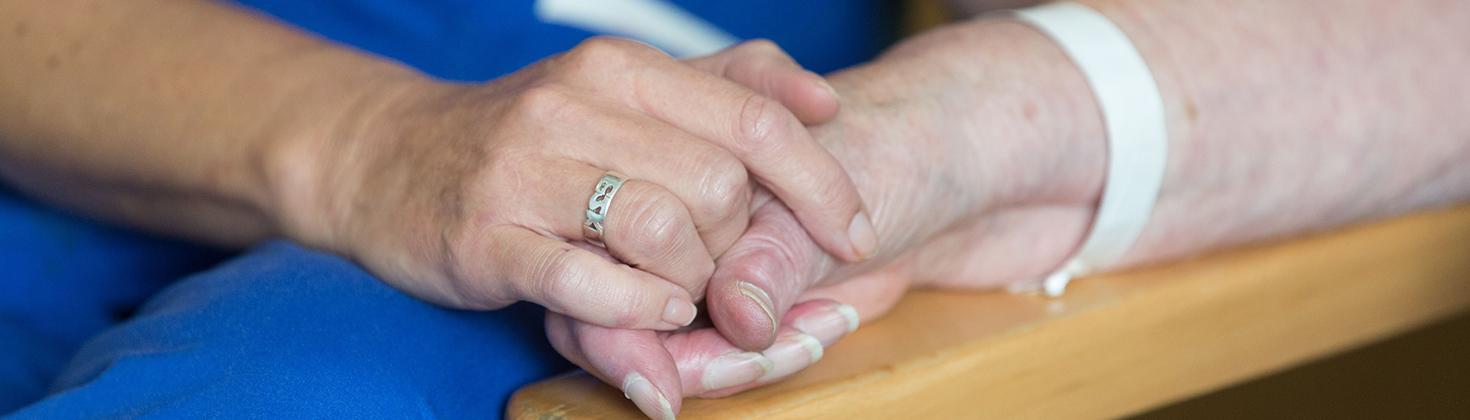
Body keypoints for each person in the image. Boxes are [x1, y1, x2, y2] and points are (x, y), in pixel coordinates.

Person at [2, 1, 1467, 419]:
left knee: (281, 388)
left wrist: (964, 124)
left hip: (637, 169)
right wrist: (361, 139)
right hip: (112, 98)